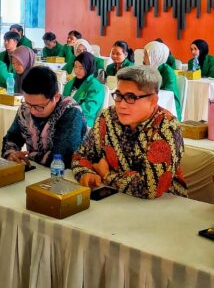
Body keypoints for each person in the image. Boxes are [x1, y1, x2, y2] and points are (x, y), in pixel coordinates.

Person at [71, 65, 187, 199]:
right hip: (116, 198)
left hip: (166, 204)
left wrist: (107, 175)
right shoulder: (108, 117)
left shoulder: (166, 127)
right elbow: (80, 155)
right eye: (119, 95)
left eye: (131, 97)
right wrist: (86, 173)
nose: (121, 104)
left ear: (153, 101)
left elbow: (150, 188)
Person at [2, 66, 86, 167]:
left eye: (39, 107)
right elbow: (12, 137)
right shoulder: (26, 108)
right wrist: (11, 154)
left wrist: (30, 155)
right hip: (38, 169)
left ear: (56, 97)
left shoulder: (70, 112)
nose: (32, 111)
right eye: (28, 104)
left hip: (63, 173)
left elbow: (62, 157)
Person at [63, 51, 106, 127]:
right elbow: (63, 101)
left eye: (81, 68)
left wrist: (67, 111)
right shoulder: (70, 83)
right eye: (75, 67)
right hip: (66, 118)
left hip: (82, 123)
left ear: (89, 67)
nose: (77, 71)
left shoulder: (96, 86)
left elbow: (89, 110)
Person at [142, 40, 181, 119]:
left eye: (146, 54)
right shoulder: (149, 70)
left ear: (154, 55)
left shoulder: (167, 71)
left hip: (169, 107)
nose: (143, 57)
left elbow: (168, 93)